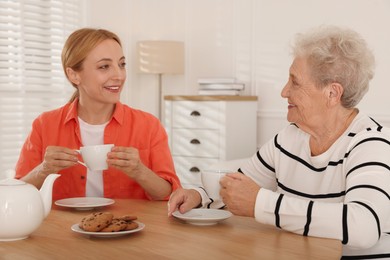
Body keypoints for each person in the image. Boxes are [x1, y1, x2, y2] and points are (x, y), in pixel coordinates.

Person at [168, 25, 390, 258]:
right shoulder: (289, 138)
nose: (284, 92)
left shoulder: (372, 143)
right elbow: (238, 187)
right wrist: (199, 195)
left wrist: (262, 204)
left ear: (332, 94)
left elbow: (364, 227)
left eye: (295, 82)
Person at [15, 28, 181, 201]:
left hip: (128, 226)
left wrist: (140, 171)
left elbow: (169, 194)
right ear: (74, 75)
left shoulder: (148, 125)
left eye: (122, 64)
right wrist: (44, 169)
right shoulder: (44, 125)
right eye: (104, 66)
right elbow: (16, 193)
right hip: (62, 227)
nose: (119, 75)